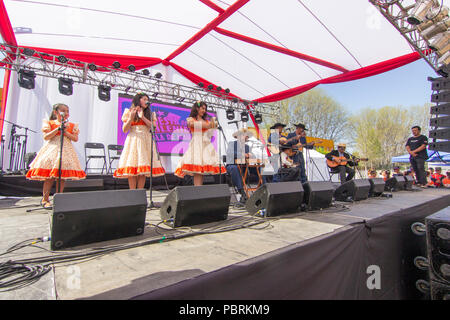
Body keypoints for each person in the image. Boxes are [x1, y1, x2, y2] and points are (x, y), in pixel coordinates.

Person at [26, 103, 86, 209]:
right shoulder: (49, 123)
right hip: (52, 148)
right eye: (63, 111)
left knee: (61, 177)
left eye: (67, 111)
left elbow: (75, 138)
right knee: (50, 176)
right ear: (56, 112)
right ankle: (45, 199)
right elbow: (46, 136)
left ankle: (59, 198)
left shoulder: (72, 125)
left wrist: (65, 131)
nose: (66, 113)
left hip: (66, 150)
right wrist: (58, 129)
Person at [114, 92, 165, 189]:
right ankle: (133, 193)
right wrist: (131, 118)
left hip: (146, 139)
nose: (146, 101)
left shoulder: (150, 113)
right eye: (144, 99)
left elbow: (153, 127)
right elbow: (125, 129)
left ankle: (140, 192)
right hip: (133, 139)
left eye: (147, 99)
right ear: (138, 100)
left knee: (143, 169)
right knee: (132, 166)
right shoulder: (129, 112)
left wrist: (143, 117)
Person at [174, 101, 226, 185]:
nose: (204, 111)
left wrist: (212, 127)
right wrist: (210, 125)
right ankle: (197, 191)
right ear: (197, 108)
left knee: (201, 170)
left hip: (206, 145)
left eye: (205, 109)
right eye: (202, 108)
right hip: (197, 144)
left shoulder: (206, 121)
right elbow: (192, 124)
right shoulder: (191, 119)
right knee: (197, 169)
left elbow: (210, 134)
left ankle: (199, 191)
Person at [225, 128, 256, 203]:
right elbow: (230, 153)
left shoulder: (247, 147)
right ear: (238, 136)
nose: (246, 137)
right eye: (244, 135)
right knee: (234, 168)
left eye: (246, 136)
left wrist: (250, 155)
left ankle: (263, 189)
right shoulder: (232, 144)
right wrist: (243, 155)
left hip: (244, 166)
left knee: (261, 168)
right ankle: (241, 191)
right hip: (232, 165)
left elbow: (253, 156)